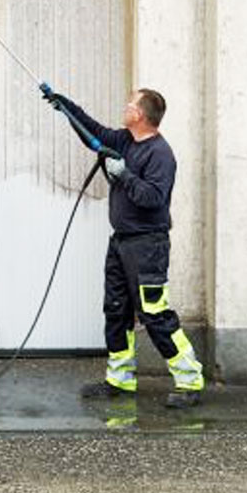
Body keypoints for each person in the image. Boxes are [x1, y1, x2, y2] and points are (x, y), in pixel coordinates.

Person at [44, 87, 204, 408]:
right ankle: (120, 379)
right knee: (116, 310)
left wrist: (125, 175)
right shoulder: (125, 141)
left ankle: (190, 380)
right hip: (121, 243)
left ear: (141, 115)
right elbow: (95, 132)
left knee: (154, 314)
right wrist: (65, 106)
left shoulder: (160, 154)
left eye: (130, 104)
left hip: (148, 245)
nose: (125, 106)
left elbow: (153, 198)